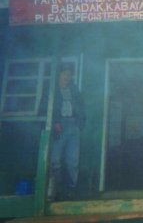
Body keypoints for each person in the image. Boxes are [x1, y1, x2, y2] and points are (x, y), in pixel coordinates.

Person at [44, 64, 86, 201]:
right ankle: (56, 190)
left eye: (69, 74)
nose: (67, 77)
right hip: (58, 126)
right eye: (64, 74)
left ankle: (70, 191)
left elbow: (82, 108)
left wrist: (79, 125)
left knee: (72, 161)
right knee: (55, 159)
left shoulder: (74, 90)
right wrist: (55, 121)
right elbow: (44, 108)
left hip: (73, 126)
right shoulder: (51, 90)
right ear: (59, 75)